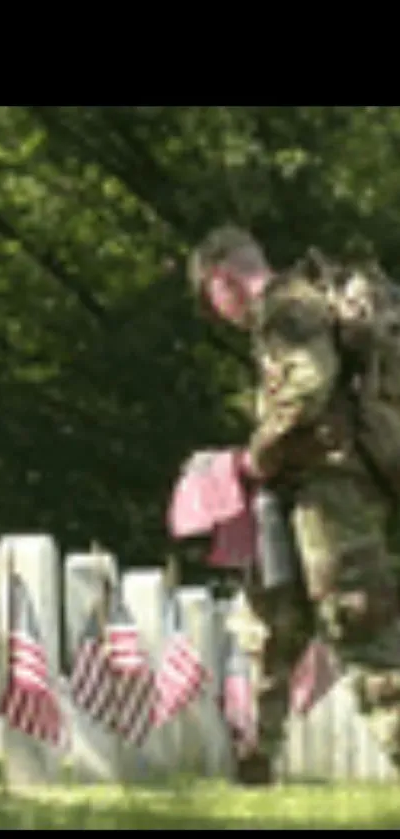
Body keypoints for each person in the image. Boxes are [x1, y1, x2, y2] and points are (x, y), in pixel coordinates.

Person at [188, 226, 400, 778]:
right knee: (274, 626)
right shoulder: (301, 305)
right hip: (304, 493)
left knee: (362, 629)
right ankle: (255, 765)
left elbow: (307, 386)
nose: (221, 315)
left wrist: (257, 455)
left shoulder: (285, 307)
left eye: (215, 301)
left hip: (331, 494)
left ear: (223, 280)